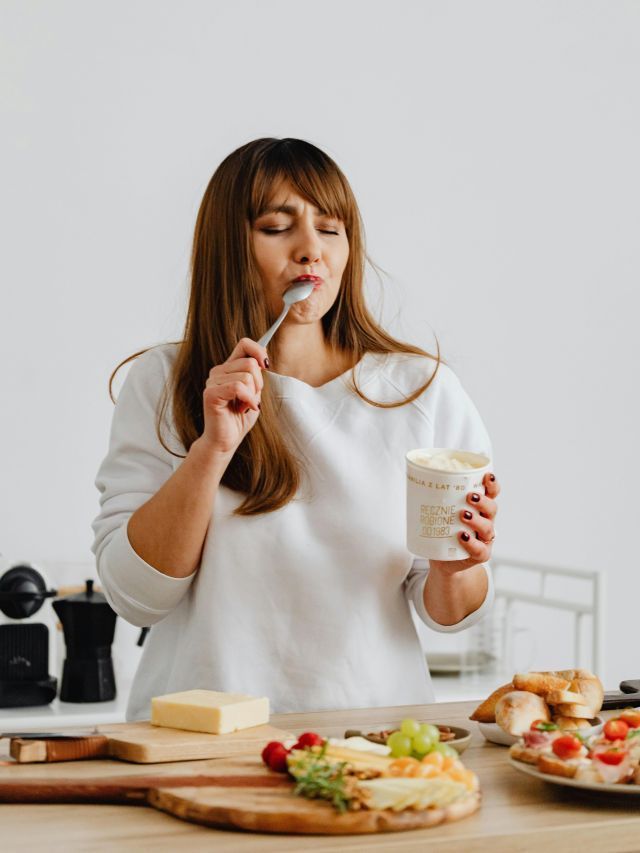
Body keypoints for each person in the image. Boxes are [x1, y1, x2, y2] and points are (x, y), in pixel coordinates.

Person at [91, 137, 500, 721]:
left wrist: (457, 567)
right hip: (197, 745)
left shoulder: (422, 390)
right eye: (277, 227)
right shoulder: (165, 381)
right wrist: (212, 449)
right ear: (229, 248)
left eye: (330, 229)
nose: (312, 250)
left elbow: (447, 613)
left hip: (374, 738)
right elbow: (137, 597)